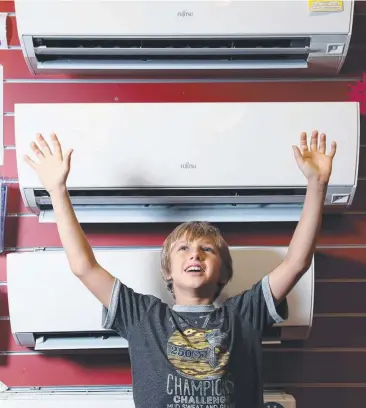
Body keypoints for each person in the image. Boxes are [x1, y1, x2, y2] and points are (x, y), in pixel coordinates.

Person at [24, 130, 336, 408]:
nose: (195, 254)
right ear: (168, 272)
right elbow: (84, 267)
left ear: (224, 272)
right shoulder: (143, 317)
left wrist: (317, 185)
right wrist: (57, 191)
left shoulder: (244, 314)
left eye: (207, 249)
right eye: (183, 249)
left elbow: (296, 263)